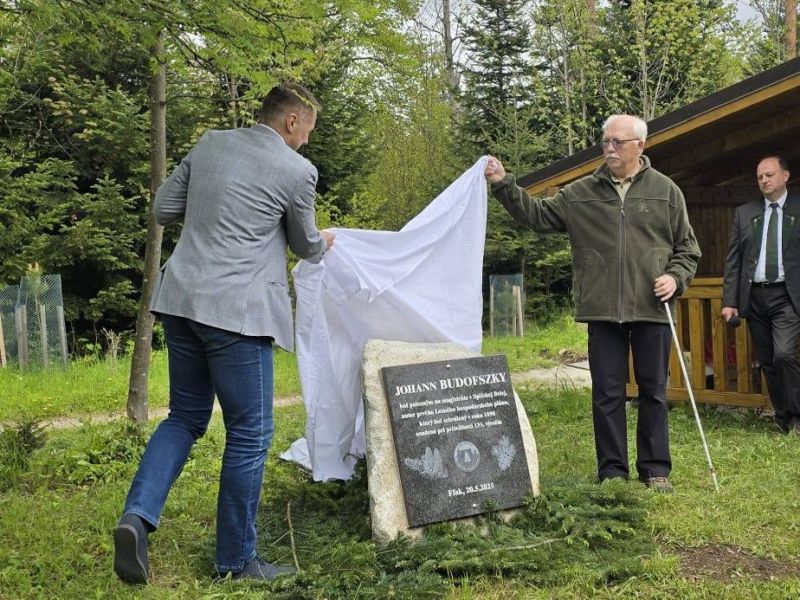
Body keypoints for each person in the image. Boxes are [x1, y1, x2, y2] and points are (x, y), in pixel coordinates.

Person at [113, 83, 335, 584]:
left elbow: (163, 210)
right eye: (308, 131)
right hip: (238, 313)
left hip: (182, 300)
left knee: (185, 418)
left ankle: (136, 518)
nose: (306, 143)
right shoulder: (297, 172)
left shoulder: (210, 143)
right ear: (292, 122)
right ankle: (236, 561)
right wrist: (325, 241)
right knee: (250, 434)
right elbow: (306, 246)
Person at [484, 114, 701, 493]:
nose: (610, 148)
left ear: (640, 146)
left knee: (653, 391)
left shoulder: (666, 192)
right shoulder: (581, 192)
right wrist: (504, 185)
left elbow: (688, 248)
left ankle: (655, 470)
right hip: (601, 309)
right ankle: (613, 472)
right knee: (607, 395)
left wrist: (676, 277)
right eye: (606, 142)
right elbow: (536, 215)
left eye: (618, 142)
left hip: (652, 309)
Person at [722, 156, 800, 434]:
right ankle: (784, 417)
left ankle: (797, 414)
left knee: (783, 355)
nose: (764, 181)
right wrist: (730, 301)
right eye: (760, 177)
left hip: (787, 297)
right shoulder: (745, 213)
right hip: (754, 297)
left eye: (769, 175)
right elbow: (734, 260)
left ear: (785, 176)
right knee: (767, 360)